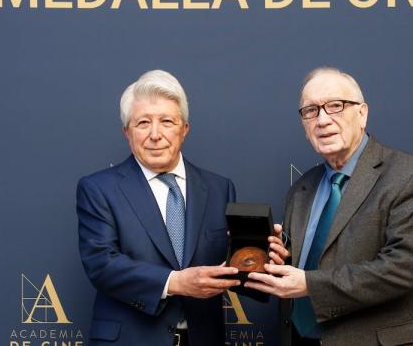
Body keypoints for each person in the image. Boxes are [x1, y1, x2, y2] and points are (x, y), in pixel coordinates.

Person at [76, 70, 288, 346]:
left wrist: (262, 258)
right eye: (143, 123)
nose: (155, 134)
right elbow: (102, 264)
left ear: (184, 129)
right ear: (127, 132)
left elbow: (232, 269)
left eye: (167, 121)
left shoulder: (219, 188)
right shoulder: (98, 189)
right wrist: (175, 282)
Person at [245, 67, 413, 346]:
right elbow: (305, 266)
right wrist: (276, 257)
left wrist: (308, 284)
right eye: (311, 111)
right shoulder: (301, 189)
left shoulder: (411, 175)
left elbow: (404, 268)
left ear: (362, 114)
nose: (322, 120)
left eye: (335, 106)